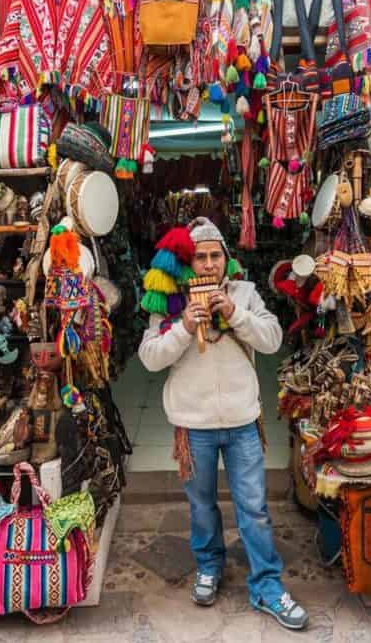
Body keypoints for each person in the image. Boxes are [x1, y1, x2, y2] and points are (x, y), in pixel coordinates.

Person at [138, 217, 308, 631]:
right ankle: (209, 567)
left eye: (216, 255)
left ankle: (267, 585)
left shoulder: (246, 294)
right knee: (201, 506)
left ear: (226, 260)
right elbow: (150, 357)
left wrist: (235, 315)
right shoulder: (168, 301)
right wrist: (184, 328)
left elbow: (271, 340)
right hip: (192, 424)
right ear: (188, 263)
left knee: (254, 509)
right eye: (201, 257)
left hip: (241, 421)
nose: (209, 264)